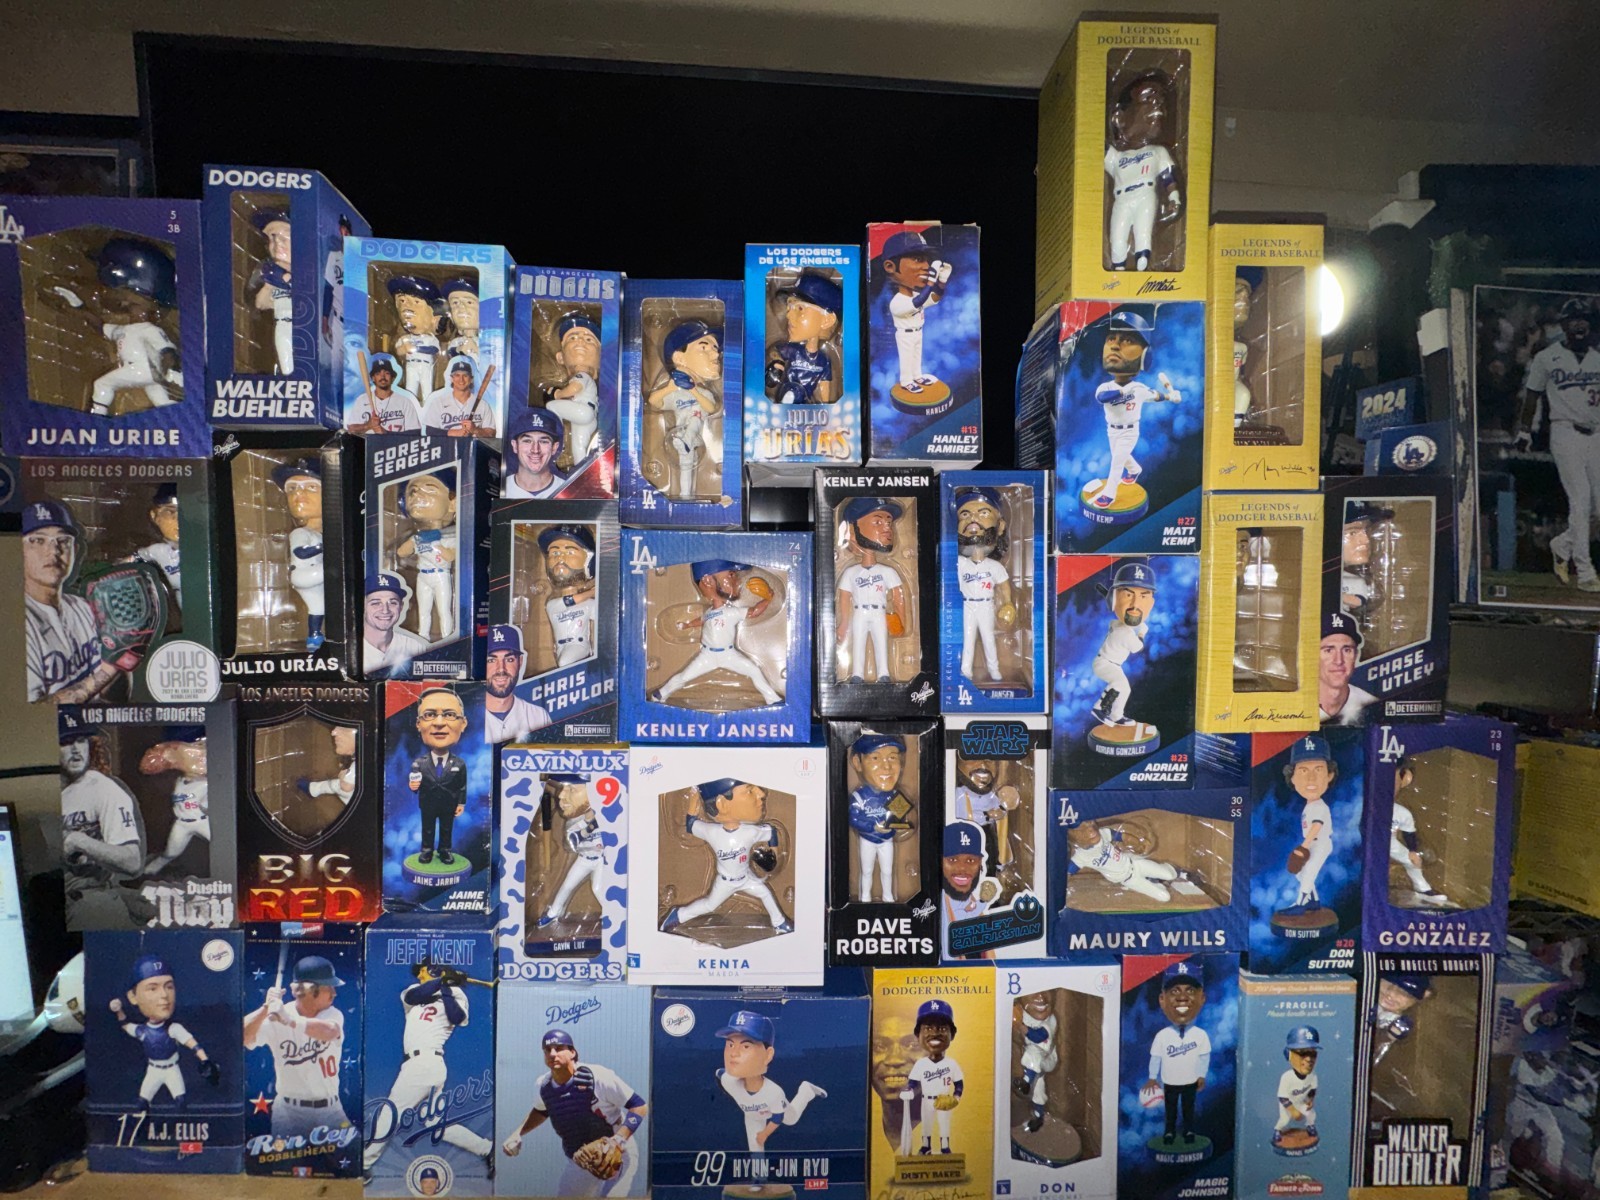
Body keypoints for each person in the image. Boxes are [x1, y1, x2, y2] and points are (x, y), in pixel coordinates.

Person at [362, 960, 493, 1182]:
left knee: (391, 1112)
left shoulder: (457, 994)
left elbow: (457, 1017)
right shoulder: (413, 990)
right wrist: (442, 981)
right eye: (421, 971)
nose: (421, 974)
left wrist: (448, 987)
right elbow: (415, 996)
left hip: (426, 1063)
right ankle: (487, 1149)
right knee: (436, 1124)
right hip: (418, 1064)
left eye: (424, 970)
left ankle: (363, 1164)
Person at [501, 1029, 648, 1196]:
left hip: (617, 1152)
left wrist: (618, 1140)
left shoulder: (598, 1077)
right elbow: (541, 1110)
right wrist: (518, 1133)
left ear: (573, 1052)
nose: (552, 1054)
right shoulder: (543, 1086)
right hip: (581, 1157)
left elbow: (639, 1106)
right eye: (547, 1050)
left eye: (559, 1048)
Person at [242, 955, 353, 1140]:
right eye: (328, 987)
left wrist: (289, 1020)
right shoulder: (277, 1015)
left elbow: (329, 1031)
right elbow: (243, 1036)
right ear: (307, 991)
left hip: (331, 1110)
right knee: (286, 1159)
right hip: (289, 1113)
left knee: (351, 1153)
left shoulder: (332, 1014)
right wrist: (265, 1008)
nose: (334, 993)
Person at [24, 499, 118, 703]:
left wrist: (124, 655)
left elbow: (103, 694)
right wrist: (111, 668)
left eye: (63, 540)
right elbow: (32, 711)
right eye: (38, 540)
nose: (53, 551)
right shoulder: (14, 623)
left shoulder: (82, 607)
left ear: (74, 549)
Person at [112, 952, 219, 1109]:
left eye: (169, 987)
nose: (164, 995)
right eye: (152, 989)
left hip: (172, 1070)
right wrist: (119, 1011)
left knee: (181, 1102)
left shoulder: (173, 1029)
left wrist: (205, 1060)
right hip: (153, 1070)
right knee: (142, 1103)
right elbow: (125, 1025)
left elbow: (193, 1045)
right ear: (133, 997)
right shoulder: (143, 1031)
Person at [408, 688, 469, 867]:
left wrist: (461, 803)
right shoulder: (419, 763)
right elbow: (414, 782)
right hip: (428, 803)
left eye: (449, 714)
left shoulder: (459, 764)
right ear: (418, 723)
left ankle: (445, 850)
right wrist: (413, 786)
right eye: (429, 715)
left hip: (449, 804)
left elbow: (462, 786)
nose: (439, 723)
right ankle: (426, 850)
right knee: (427, 828)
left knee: (446, 828)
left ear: (463, 723)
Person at [483, 625, 552, 744]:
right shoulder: (465, 718)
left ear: (520, 662)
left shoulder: (538, 716)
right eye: (491, 660)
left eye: (509, 659)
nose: (501, 669)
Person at [362, 573, 430, 678]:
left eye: (392, 603)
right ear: (362, 607)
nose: (385, 610)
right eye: (376, 603)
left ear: (401, 606)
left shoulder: (416, 648)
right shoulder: (349, 649)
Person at [1318, 611, 1377, 726]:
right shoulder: (1294, 706)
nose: (1338, 660)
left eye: (1347, 650)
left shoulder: (1371, 705)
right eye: (1328, 650)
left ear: (1356, 655)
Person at [503, 406, 570, 499]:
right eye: (527, 441)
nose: (535, 450)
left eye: (543, 441)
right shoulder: (500, 491)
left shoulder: (568, 493)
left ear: (554, 447)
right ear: (515, 446)